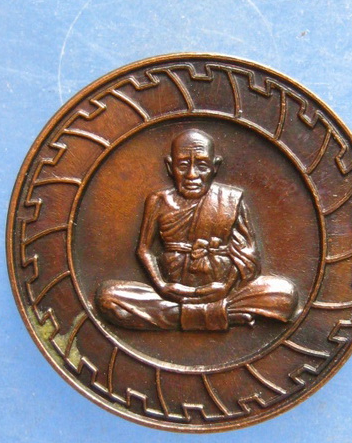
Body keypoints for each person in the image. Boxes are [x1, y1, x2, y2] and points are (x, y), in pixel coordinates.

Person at [96, 129, 298, 331]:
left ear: (214, 167)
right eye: (183, 165)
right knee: (109, 297)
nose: (192, 175)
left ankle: (183, 315)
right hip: (171, 292)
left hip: (222, 291)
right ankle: (222, 315)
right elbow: (144, 249)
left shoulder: (231, 199)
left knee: (283, 296)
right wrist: (161, 286)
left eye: (202, 166)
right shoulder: (158, 201)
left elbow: (246, 254)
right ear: (170, 167)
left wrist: (225, 286)